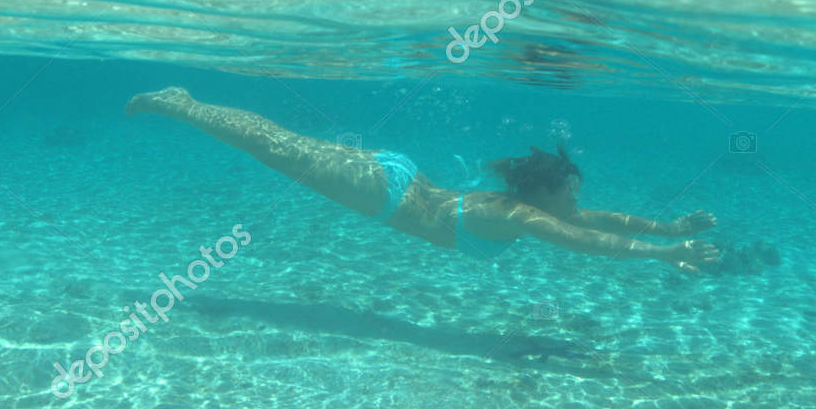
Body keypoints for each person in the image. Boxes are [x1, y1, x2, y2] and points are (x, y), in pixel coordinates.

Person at [126, 87, 721, 273]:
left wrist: (666, 227)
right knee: (275, 147)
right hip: (381, 191)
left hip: (397, 176)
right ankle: (182, 105)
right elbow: (588, 240)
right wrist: (665, 254)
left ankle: (187, 106)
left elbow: (602, 222)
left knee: (283, 146)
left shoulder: (523, 208)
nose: (579, 198)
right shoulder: (516, 218)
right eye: (570, 190)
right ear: (541, 194)